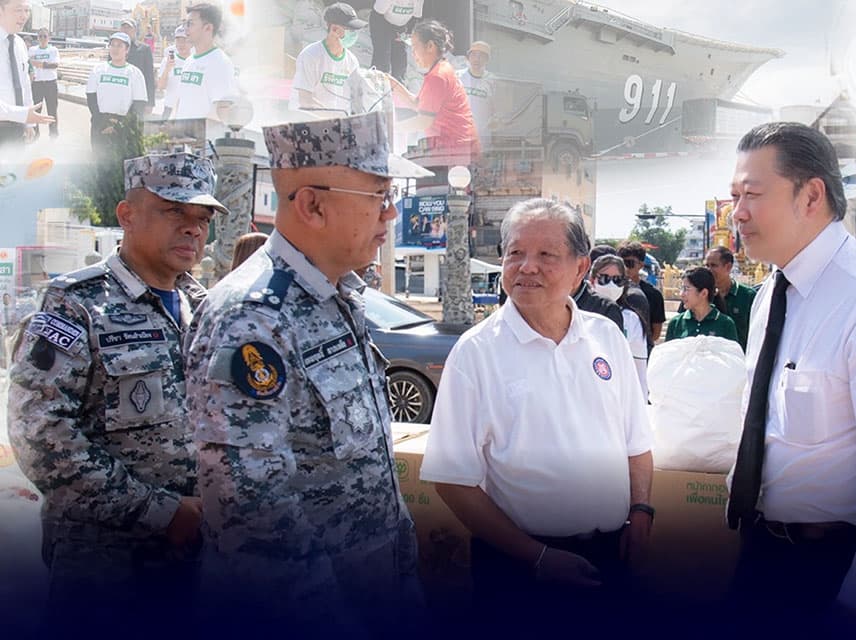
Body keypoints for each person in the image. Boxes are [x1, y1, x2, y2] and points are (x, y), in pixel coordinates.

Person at [184, 111, 432, 633]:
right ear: (313, 205)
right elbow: (251, 511)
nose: (391, 213)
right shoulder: (252, 317)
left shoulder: (334, 295)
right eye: (379, 196)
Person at [726, 122, 856, 635]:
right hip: (762, 557)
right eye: (734, 197)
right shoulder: (770, 295)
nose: (738, 213)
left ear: (811, 195)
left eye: (753, 194)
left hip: (831, 569)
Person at [6, 152, 228, 630]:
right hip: (106, 568)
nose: (192, 228)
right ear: (127, 215)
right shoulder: (77, 304)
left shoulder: (204, 307)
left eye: (202, 218)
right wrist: (159, 512)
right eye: (174, 211)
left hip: (200, 563)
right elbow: (40, 433)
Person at [419, 198, 654, 636]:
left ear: (580, 268)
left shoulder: (606, 337)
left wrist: (641, 509)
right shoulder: (476, 352)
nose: (527, 267)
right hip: (520, 570)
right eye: (515, 253)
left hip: (611, 556)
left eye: (546, 254)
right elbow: (452, 479)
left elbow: (636, 443)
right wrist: (538, 557)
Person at [388, 19, 480, 161]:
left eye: (414, 47)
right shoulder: (442, 68)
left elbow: (423, 121)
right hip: (459, 148)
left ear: (430, 46)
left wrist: (391, 128)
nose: (413, 53)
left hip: (455, 151)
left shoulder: (437, 76)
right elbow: (418, 104)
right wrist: (393, 84)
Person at [589, 254, 649, 401]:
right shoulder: (577, 314)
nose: (611, 285)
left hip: (618, 394)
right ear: (592, 280)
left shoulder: (631, 320)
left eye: (617, 280)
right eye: (604, 278)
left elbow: (639, 370)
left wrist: (641, 404)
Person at [289, 2, 365, 114]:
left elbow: (356, 100)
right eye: (350, 30)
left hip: (335, 120)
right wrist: (332, 116)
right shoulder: (311, 55)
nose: (354, 34)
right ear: (334, 29)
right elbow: (305, 100)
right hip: (306, 119)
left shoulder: (352, 61)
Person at [0, 0, 53, 147]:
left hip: (17, 127)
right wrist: (22, 114)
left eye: (27, 10)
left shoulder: (19, 44)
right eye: (18, 10)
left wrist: (28, 122)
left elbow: (25, 85)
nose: (24, 16)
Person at [173, 2, 238, 121]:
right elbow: (180, 99)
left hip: (201, 133)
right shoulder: (189, 60)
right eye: (185, 23)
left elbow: (222, 110)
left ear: (208, 28)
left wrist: (199, 131)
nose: (185, 28)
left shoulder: (220, 63)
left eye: (190, 24)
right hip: (182, 131)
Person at [85, 32, 147, 149]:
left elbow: (139, 105)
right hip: (100, 123)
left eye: (119, 45)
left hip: (125, 125)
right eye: (112, 45)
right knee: (99, 157)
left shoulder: (135, 73)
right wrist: (103, 123)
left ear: (127, 49)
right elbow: (91, 98)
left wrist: (119, 125)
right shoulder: (98, 70)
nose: (115, 49)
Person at [665, 266, 739, 344]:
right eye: (681, 288)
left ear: (704, 293)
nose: (681, 294)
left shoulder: (726, 324)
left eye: (686, 289)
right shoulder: (676, 323)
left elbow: (732, 351)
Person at [702, 246, 756, 350]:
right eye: (706, 265)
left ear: (728, 267)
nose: (708, 270)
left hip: (739, 356)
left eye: (713, 265)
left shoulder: (748, 296)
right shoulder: (701, 295)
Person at [617, 241, 665, 343]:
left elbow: (656, 333)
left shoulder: (653, 295)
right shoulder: (612, 289)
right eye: (620, 263)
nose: (625, 268)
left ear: (641, 265)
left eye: (629, 263)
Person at [370, 0, 424, 83]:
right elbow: (377, 16)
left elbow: (415, 18)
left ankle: (398, 85)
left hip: (401, 26)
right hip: (380, 21)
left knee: (400, 61)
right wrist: (388, 34)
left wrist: (407, 33)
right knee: (382, 58)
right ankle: (375, 83)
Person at [456, 40, 493, 148]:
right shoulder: (457, 76)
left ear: (487, 59)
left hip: (482, 139)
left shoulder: (492, 81)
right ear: (469, 57)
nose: (477, 59)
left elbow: (497, 108)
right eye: (474, 55)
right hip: (459, 136)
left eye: (481, 56)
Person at [28, 27, 58, 138]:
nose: (43, 38)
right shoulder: (32, 50)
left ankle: (53, 134)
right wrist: (36, 67)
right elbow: (29, 64)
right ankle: (35, 134)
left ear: (49, 37)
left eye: (45, 36)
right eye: (40, 36)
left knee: (52, 110)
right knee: (36, 110)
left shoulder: (53, 50)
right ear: (37, 38)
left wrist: (39, 64)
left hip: (50, 83)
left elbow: (54, 65)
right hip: (37, 84)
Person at [118, 17, 155, 108]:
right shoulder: (114, 49)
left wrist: (150, 102)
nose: (125, 30)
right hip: (118, 94)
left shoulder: (144, 49)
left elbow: (149, 76)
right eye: (123, 27)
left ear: (135, 30)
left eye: (129, 27)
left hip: (137, 97)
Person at [157, 25, 192, 120]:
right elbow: (160, 86)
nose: (181, 44)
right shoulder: (167, 61)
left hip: (190, 110)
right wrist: (167, 69)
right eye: (178, 40)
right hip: (170, 109)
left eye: (184, 40)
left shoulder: (196, 61)